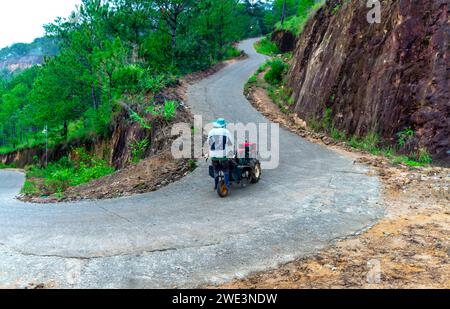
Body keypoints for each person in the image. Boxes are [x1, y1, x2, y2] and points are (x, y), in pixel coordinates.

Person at [208, 118, 233, 190]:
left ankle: (216, 186)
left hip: (213, 156)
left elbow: (208, 143)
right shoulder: (226, 132)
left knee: (215, 170)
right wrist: (231, 154)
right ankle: (227, 185)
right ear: (223, 125)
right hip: (223, 156)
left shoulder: (211, 132)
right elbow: (230, 144)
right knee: (226, 170)